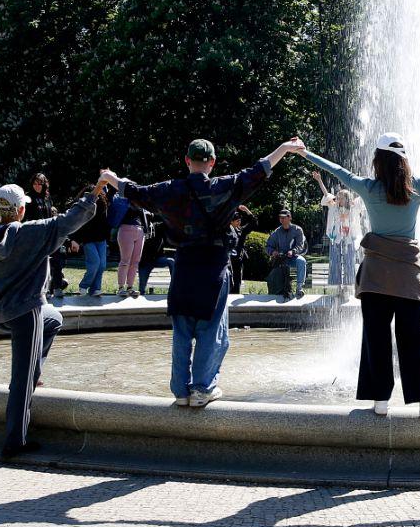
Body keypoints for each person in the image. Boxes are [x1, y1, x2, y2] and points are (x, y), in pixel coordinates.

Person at [300, 133, 420, 418]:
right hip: (407, 277)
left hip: (375, 277)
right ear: (404, 160)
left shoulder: (368, 187)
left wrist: (306, 153)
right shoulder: (416, 187)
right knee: (417, 337)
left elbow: (337, 171)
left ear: (377, 160)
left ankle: (380, 400)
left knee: (375, 337)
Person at [100, 136, 301, 409]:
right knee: (211, 330)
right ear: (212, 162)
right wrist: (285, 148)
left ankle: (181, 391)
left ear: (186, 160)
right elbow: (259, 169)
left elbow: (133, 190)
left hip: (183, 267)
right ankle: (202, 389)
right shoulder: (225, 187)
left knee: (182, 331)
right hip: (213, 268)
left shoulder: (169, 190)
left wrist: (110, 177)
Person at [0, 180, 103, 459]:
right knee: (21, 378)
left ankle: (34, 370)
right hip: (25, 313)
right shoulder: (31, 233)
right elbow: (69, 221)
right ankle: (15, 441)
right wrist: (95, 192)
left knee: (54, 318)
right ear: (21, 210)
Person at [24, 173, 69, 298]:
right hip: (36, 235)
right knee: (40, 264)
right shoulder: (28, 198)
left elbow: (50, 216)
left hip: (49, 234)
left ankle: (57, 286)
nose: (37, 186)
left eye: (40, 184)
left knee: (56, 261)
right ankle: (43, 290)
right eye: (35, 183)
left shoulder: (47, 198)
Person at [73, 183, 111, 298]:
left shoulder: (103, 204)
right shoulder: (84, 206)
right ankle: (83, 286)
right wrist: (75, 240)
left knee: (102, 265)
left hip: (101, 240)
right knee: (95, 263)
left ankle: (95, 289)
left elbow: (105, 223)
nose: (96, 195)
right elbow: (78, 224)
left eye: (99, 193)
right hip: (88, 240)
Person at [265, 208, 308, 300]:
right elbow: (268, 246)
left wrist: (293, 251)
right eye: (280, 218)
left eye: (284, 217)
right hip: (281, 259)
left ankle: (299, 288)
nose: (282, 220)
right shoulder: (276, 232)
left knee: (302, 261)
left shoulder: (297, 230)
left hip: (293, 257)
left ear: (290, 218)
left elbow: (300, 245)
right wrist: (273, 252)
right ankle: (282, 291)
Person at [112, 192, 148, 298]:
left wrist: (146, 229)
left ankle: (130, 287)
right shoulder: (121, 201)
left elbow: (143, 214)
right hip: (125, 229)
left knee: (135, 261)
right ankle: (121, 288)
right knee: (125, 261)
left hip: (140, 231)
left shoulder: (138, 202)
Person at [138, 217, 176, 295]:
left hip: (158, 259)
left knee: (171, 261)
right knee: (141, 289)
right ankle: (141, 295)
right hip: (145, 262)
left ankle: (173, 288)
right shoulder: (145, 231)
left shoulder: (162, 229)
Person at [225, 208, 256, 294]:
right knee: (227, 282)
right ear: (231, 221)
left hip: (238, 261)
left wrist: (247, 211)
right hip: (227, 261)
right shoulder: (225, 231)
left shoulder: (241, 231)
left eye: (240, 220)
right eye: (237, 221)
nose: (239, 222)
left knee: (236, 283)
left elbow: (253, 223)